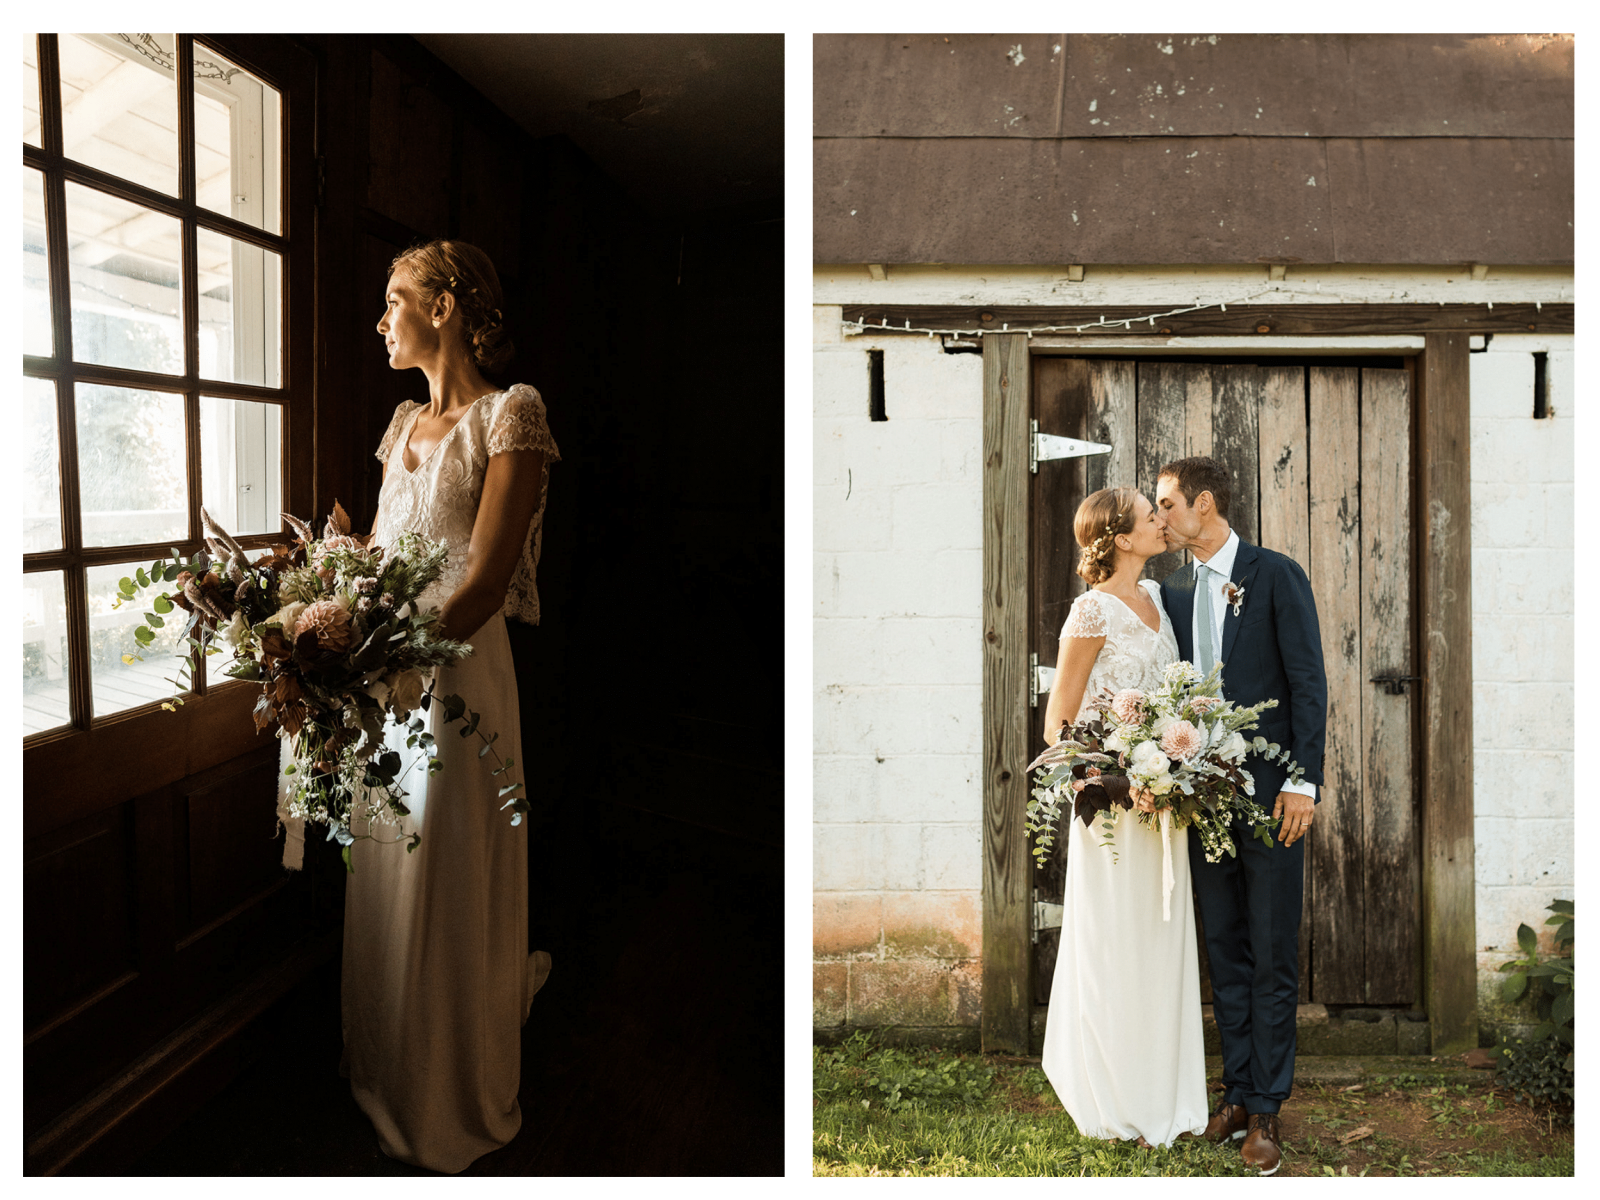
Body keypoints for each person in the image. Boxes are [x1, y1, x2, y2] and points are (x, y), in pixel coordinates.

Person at [344, 239, 561, 1172]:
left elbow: (485, 577)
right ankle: (388, 1062)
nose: (381, 318)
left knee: (449, 862)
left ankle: (450, 1087)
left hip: (458, 675)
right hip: (381, 673)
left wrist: (402, 653)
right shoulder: (400, 426)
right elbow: (386, 551)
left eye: (396, 299)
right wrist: (336, 604)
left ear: (447, 307)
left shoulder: (512, 416)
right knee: (387, 859)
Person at [1155, 455, 1327, 1177]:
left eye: (1166, 504)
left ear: (1203, 503)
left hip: (1271, 798)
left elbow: (1307, 681)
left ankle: (1266, 1110)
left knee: (1271, 951)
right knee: (1224, 947)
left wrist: (1304, 783)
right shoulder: (1171, 589)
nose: (1159, 517)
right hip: (1204, 797)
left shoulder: (1275, 573)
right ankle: (1234, 1091)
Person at [1038, 487, 1209, 1149]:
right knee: (1115, 944)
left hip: (1164, 804)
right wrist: (1118, 773)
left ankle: (1163, 1093)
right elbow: (1060, 719)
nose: (1160, 521)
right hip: (1118, 810)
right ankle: (1113, 1095)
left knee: (1160, 942)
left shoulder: (1161, 601)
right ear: (1120, 536)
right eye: (1148, 516)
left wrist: (1176, 762)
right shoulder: (1091, 611)